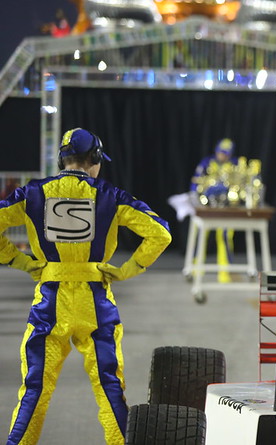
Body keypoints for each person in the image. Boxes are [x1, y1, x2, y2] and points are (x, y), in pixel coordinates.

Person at [0, 128, 172, 445]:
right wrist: (127, 270)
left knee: (35, 390)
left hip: (49, 305)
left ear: (62, 160)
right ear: (94, 159)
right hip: (97, 304)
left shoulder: (33, 193)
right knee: (109, 387)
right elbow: (161, 233)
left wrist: (20, 261)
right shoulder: (111, 195)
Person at [190, 138, 236, 283]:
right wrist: (196, 198)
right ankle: (196, 268)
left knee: (224, 237)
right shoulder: (206, 163)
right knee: (201, 235)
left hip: (226, 209)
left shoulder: (235, 165)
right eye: (220, 152)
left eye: (225, 153)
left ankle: (225, 271)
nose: (222, 156)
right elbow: (195, 182)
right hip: (207, 208)